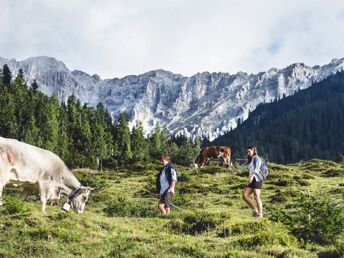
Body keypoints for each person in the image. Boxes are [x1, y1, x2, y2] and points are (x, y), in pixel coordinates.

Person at [242, 145, 263, 218]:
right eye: (247, 152)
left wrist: (252, 176)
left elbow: (257, 169)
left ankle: (260, 214)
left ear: (253, 151)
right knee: (245, 195)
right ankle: (255, 210)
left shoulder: (257, 158)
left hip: (257, 179)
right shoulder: (251, 159)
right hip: (252, 180)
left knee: (256, 196)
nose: (248, 153)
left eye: (249, 151)